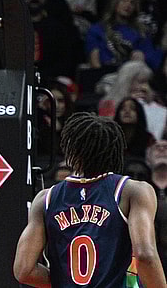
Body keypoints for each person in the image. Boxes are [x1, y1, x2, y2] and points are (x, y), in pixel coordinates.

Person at [14, 112, 167, 287]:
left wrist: (63, 282)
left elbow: (23, 270)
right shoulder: (133, 191)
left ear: (71, 151)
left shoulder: (45, 199)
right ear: (115, 150)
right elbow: (145, 255)